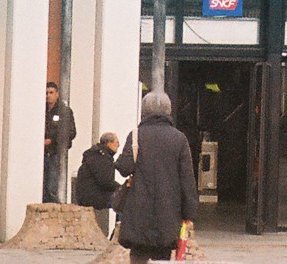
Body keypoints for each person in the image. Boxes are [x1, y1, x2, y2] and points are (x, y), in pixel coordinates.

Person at [115, 90, 197, 264]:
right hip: (168, 209)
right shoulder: (179, 139)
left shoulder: (136, 135)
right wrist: (189, 212)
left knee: (138, 254)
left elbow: (124, 168)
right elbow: (187, 180)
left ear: (144, 111)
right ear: (169, 111)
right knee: (163, 254)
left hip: (139, 208)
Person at [76, 132, 123, 235]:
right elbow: (105, 182)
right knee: (124, 201)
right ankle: (120, 235)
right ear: (108, 143)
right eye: (117, 142)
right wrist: (121, 188)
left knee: (121, 199)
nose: (118, 145)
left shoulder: (97, 155)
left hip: (88, 194)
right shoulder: (101, 158)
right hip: (94, 196)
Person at [44, 81, 78, 204]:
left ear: (57, 94)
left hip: (56, 154)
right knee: (42, 187)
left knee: (52, 187)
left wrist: (52, 140)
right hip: (43, 154)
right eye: (46, 93)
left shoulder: (64, 111)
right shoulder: (41, 111)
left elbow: (70, 132)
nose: (48, 95)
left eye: (51, 93)